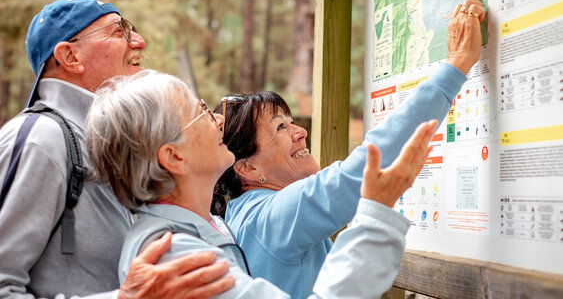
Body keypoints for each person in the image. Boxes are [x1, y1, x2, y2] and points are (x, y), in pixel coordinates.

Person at [212, 0, 486, 297]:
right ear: (247, 167)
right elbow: (357, 173)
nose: (299, 131)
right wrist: (456, 66)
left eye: (291, 121)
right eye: (279, 128)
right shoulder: (269, 218)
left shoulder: (244, 214)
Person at [85, 69, 438, 298]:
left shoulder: (204, 231)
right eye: (202, 113)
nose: (219, 120)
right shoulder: (181, 260)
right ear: (173, 157)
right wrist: (376, 218)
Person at [0, 0, 234, 299]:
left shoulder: (112, 140)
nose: (139, 41)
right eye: (119, 31)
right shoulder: (40, 139)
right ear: (70, 57)